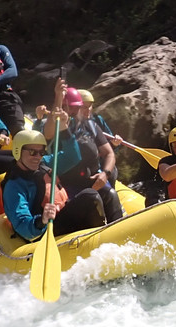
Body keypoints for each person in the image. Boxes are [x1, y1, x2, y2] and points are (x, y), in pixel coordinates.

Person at [0, 126, 109, 240]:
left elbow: (72, 156)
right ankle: (104, 239)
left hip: (60, 216)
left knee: (107, 193)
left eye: (41, 152)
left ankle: (114, 232)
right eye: (32, 152)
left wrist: (64, 129)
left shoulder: (43, 163)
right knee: (90, 196)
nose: (38, 157)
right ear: (18, 151)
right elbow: (22, 224)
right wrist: (42, 220)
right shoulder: (14, 186)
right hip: (43, 230)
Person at [51, 86, 124, 224]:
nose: (75, 111)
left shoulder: (91, 126)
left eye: (78, 107)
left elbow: (109, 153)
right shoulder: (54, 129)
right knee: (93, 198)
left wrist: (105, 174)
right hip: (68, 186)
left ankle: (119, 228)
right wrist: (58, 97)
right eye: (71, 108)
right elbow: (49, 130)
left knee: (110, 194)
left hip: (93, 180)